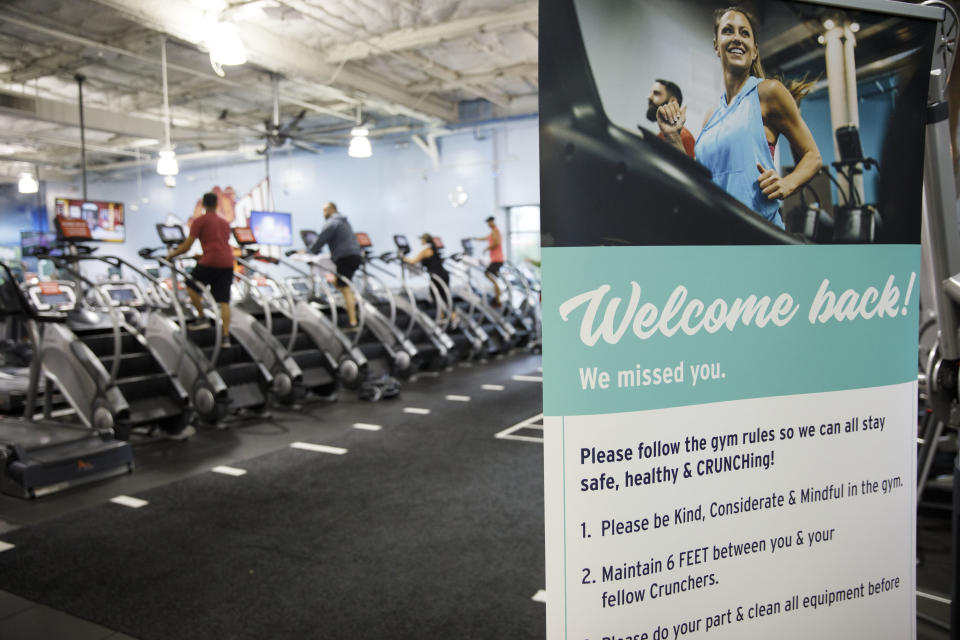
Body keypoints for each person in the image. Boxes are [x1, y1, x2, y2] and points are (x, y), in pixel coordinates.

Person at [657, 6, 821, 228]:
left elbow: (813, 157)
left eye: (744, 33)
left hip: (757, 236)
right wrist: (673, 137)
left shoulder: (769, 92)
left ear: (754, 51)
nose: (737, 38)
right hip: (714, 236)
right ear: (716, 45)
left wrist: (787, 184)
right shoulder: (710, 116)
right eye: (728, 31)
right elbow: (698, 181)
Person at [168, 192, 234, 346]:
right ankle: (225, 337)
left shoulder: (200, 221)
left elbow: (186, 246)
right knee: (224, 300)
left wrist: (171, 255)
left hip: (211, 260)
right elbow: (218, 243)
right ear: (217, 205)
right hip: (227, 262)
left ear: (203, 205)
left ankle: (202, 317)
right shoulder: (224, 223)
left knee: (191, 284)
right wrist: (203, 254)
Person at [308, 202, 362, 327]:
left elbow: (321, 239)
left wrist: (309, 250)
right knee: (342, 284)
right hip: (355, 255)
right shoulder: (344, 221)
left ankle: (353, 321)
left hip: (345, 257)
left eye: (325, 210)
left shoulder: (332, 222)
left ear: (331, 210)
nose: (323, 213)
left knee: (344, 287)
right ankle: (353, 304)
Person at [643, 79, 695, 158]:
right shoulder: (662, 134)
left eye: (656, 93)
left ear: (672, 101)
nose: (649, 97)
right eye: (650, 93)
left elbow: (690, 169)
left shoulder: (684, 137)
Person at [404, 233, 453, 314]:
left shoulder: (426, 251)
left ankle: (443, 317)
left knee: (435, 296)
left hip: (437, 276)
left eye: (421, 239)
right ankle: (449, 318)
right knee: (445, 297)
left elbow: (413, 261)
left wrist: (403, 258)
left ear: (424, 240)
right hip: (444, 275)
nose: (420, 241)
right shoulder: (434, 249)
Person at [474, 216, 504, 307]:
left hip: (497, 260)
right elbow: (486, 238)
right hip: (496, 259)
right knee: (492, 277)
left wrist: (487, 248)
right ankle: (497, 298)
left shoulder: (495, 231)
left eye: (489, 222)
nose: (488, 224)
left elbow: (496, 243)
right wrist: (475, 238)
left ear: (492, 222)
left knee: (488, 274)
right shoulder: (493, 232)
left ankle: (498, 297)